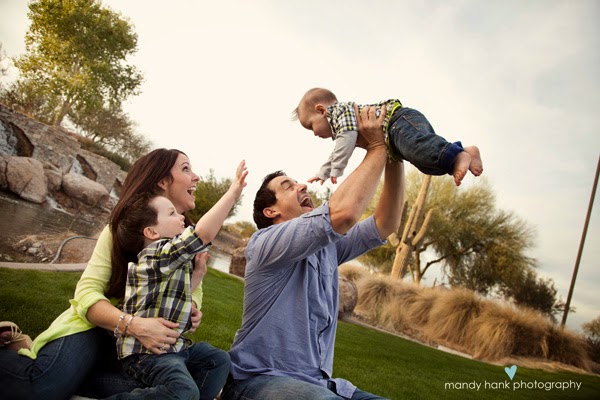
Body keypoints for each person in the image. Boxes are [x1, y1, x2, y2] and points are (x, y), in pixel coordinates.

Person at [0, 149, 234, 400]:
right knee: (40, 389)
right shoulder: (120, 230)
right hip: (97, 329)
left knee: (175, 391)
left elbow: (193, 288)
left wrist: (193, 306)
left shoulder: (183, 240)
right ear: (163, 181)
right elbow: (87, 293)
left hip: (139, 351)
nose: (196, 177)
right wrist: (134, 325)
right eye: (186, 169)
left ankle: (73, 379)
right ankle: (16, 353)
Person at [221, 106, 405, 400]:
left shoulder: (327, 247)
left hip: (321, 384)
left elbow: (387, 223)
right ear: (272, 211)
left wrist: (394, 153)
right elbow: (343, 214)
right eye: (288, 186)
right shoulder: (264, 243)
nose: (302, 185)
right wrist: (376, 146)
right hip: (257, 381)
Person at [107, 158, 246, 399]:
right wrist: (233, 192)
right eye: (171, 213)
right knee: (181, 390)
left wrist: (198, 276)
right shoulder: (156, 255)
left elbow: (173, 296)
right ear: (151, 232)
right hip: (147, 353)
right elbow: (202, 234)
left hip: (173, 349)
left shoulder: (171, 260)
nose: (181, 217)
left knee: (218, 360)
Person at [294, 87, 483, 186]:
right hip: (399, 130)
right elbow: (338, 150)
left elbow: (345, 143)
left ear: (321, 111)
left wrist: (336, 169)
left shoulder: (338, 113)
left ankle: (458, 155)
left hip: (397, 122)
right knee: (425, 163)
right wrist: (323, 172)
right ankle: (464, 152)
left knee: (420, 150)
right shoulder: (340, 129)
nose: (315, 134)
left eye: (311, 126)